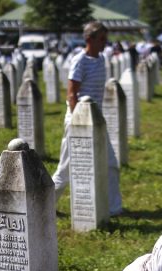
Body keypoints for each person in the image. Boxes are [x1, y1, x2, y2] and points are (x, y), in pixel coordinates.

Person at [50, 21, 123, 216]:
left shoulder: (101, 59)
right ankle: (45, 204)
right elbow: (72, 93)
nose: (105, 43)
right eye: (102, 39)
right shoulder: (79, 60)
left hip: (96, 120)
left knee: (110, 164)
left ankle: (114, 209)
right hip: (78, 120)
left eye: (106, 39)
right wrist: (78, 122)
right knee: (65, 170)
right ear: (90, 39)